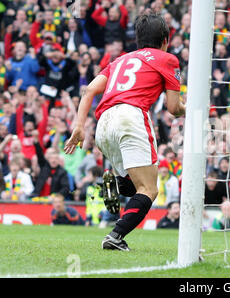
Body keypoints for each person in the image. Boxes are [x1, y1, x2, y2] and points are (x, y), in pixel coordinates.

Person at [64, 12, 185, 251]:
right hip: (131, 116)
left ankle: (113, 186)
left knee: (134, 183)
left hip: (103, 123)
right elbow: (173, 108)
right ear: (165, 39)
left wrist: (78, 127)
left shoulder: (120, 60)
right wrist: (190, 108)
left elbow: (88, 90)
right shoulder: (168, 59)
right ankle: (115, 236)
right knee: (149, 189)